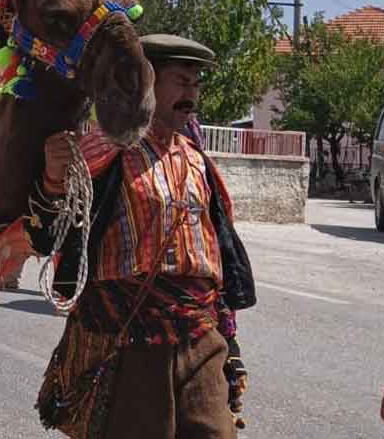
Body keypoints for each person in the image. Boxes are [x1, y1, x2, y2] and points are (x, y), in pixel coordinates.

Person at [31, 34, 254, 439]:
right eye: (180, 82)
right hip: (131, 340)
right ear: (145, 83)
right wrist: (51, 178)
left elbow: (220, 257)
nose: (190, 95)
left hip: (200, 337)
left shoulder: (199, 162)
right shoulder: (101, 152)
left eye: (195, 84)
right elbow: (47, 235)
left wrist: (230, 340)